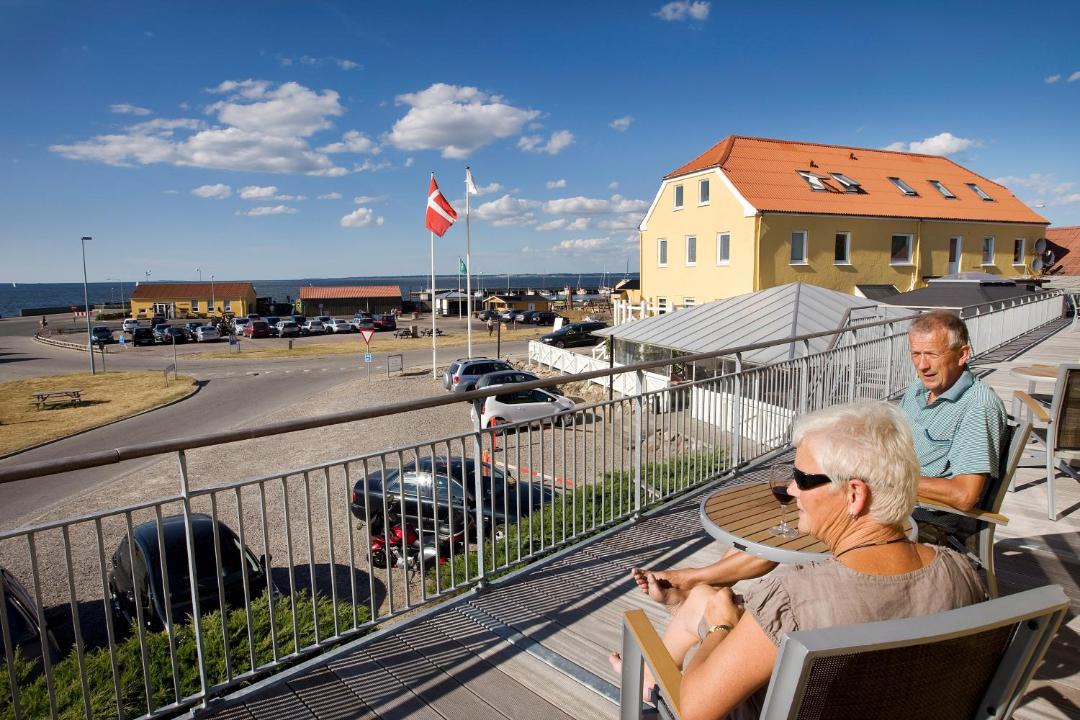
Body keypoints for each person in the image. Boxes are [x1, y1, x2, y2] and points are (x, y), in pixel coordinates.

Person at [612, 402, 987, 719]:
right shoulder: (962, 573)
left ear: (854, 494)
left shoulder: (794, 598)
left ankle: (651, 680)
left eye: (802, 478)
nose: (791, 490)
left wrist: (721, 628)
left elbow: (695, 709)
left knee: (713, 610)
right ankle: (675, 634)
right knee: (704, 597)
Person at [630, 310, 1006, 607]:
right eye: (916, 354)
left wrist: (879, 475)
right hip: (885, 498)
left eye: (933, 355)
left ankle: (695, 580)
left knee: (811, 514)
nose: (922, 365)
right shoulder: (918, 390)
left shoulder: (977, 405)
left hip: (926, 521)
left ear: (963, 354)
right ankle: (702, 576)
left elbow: (964, 495)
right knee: (795, 504)